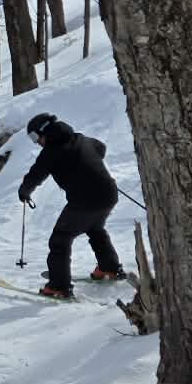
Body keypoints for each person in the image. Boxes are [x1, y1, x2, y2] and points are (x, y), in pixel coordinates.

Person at [18, 112, 125, 300]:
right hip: (108, 193)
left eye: (35, 137)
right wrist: (88, 164)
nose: (36, 142)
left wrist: (24, 192)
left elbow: (36, 174)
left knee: (60, 239)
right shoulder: (80, 138)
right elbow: (101, 148)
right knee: (95, 228)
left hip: (85, 200)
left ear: (45, 131)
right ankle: (109, 268)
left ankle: (59, 287)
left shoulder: (51, 152)